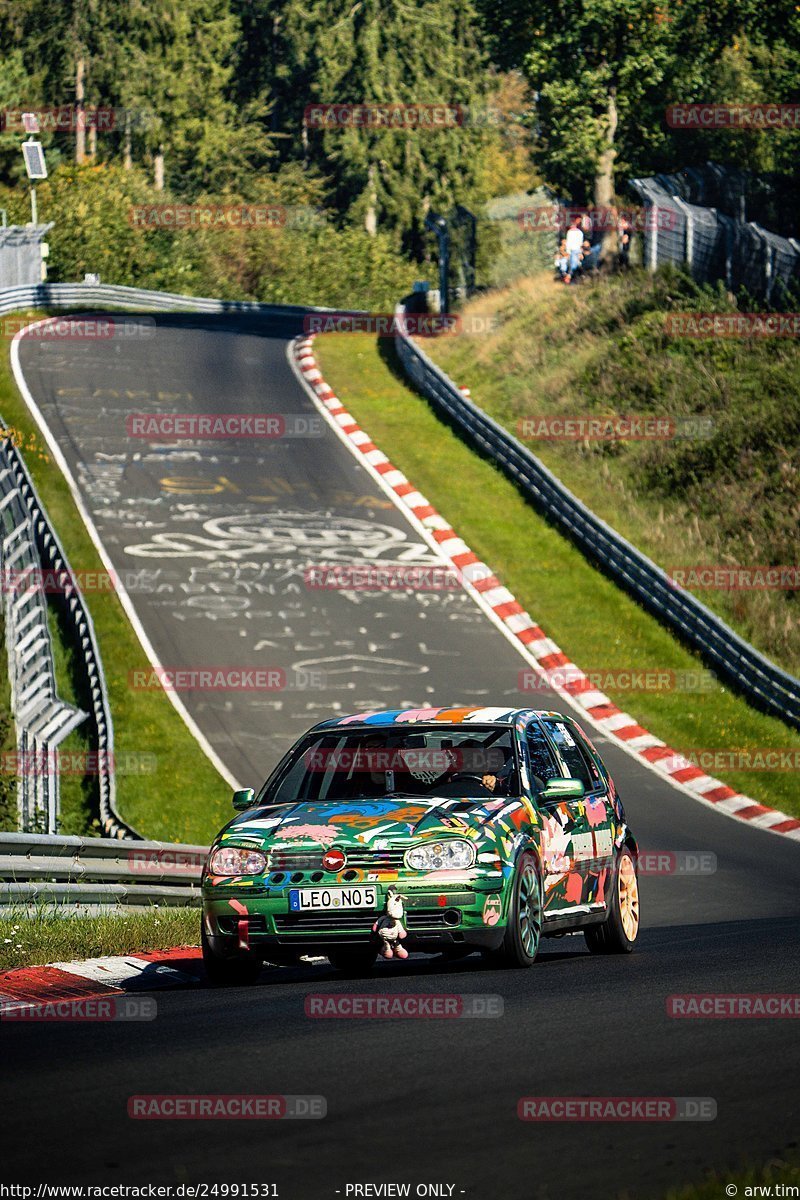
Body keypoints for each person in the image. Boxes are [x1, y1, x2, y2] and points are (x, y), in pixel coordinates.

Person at [565, 217, 584, 284]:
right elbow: (581, 243)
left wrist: (568, 252)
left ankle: (570, 277)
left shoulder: (570, 232)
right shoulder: (579, 232)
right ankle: (573, 278)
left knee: (573, 265)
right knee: (575, 264)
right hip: (576, 250)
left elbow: (568, 243)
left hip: (574, 250)